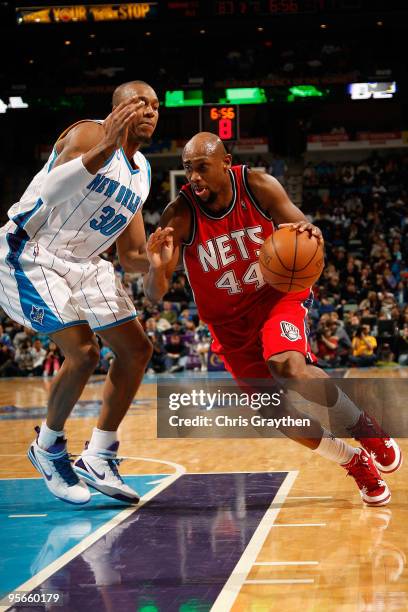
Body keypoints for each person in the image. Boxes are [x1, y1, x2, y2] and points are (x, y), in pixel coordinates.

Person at [144, 132, 402, 507]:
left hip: (275, 299)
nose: (194, 177)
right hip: (230, 326)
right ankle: (352, 460)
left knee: (289, 367)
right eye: (188, 169)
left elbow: (306, 231)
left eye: (202, 167)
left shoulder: (259, 185)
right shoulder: (179, 215)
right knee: (275, 411)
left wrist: (311, 231)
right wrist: (156, 267)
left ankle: (366, 429)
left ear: (226, 163)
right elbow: (155, 293)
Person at [0, 80, 159, 505]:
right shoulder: (89, 133)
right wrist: (104, 148)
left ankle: (100, 455)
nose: (149, 110)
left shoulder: (141, 171)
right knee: (84, 352)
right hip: (32, 250)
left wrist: (161, 258)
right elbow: (51, 192)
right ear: (115, 109)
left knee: (136, 351)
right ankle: (48, 447)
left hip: (85, 263)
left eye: (155, 106)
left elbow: (131, 255)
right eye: (139, 103)